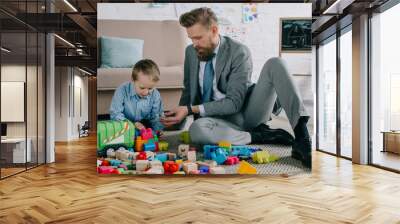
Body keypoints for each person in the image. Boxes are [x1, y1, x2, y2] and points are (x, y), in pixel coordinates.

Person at [161, 7, 311, 168]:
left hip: (246, 112)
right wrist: (177, 119)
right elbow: (189, 89)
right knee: (196, 131)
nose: (195, 44)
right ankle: (258, 136)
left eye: (198, 38)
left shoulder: (239, 52)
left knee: (276, 63)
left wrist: (191, 109)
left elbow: (234, 103)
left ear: (214, 30)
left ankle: (302, 138)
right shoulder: (191, 52)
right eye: (191, 39)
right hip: (215, 121)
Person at [110, 59, 164, 132]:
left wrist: (158, 131)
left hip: (145, 128)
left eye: (150, 88)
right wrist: (132, 124)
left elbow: (156, 117)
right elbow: (115, 114)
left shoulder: (155, 94)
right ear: (133, 80)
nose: (146, 92)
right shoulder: (122, 90)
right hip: (126, 127)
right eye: (142, 88)